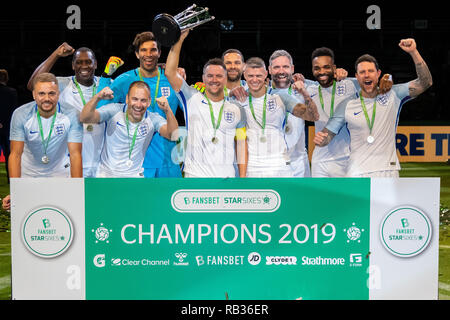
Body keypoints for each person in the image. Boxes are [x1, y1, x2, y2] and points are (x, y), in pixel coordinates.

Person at [314, 38, 432, 177]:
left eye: (370, 71)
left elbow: (425, 82)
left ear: (378, 73)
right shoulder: (346, 105)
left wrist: (413, 52)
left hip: (388, 170)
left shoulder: (394, 94)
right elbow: (328, 134)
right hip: (357, 172)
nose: (367, 75)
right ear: (357, 77)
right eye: (362, 72)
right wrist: (322, 139)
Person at [97, 31, 183, 178]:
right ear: (137, 54)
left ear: (159, 53)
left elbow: (191, 108)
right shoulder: (126, 79)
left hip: (169, 159)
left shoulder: (172, 78)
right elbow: (100, 107)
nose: (148, 54)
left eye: (153, 50)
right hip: (140, 163)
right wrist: (105, 77)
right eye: (143, 50)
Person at [164, 30, 247, 178]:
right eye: (210, 76)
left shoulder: (237, 109)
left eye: (219, 76)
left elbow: (241, 144)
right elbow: (170, 72)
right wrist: (179, 40)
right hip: (195, 177)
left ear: (225, 77)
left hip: (227, 178)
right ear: (203, 78)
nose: (214, 79)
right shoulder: (191, 98)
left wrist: (242, 179)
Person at [306, 47, 392, 177]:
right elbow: (284, 81)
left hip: (347, 159)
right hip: (320, 160)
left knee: (346, 198)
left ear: (334, 68)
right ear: (312, 70)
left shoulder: (349, 84)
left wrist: (390, 78)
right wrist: (296, 77)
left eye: (326, 67)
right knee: (320, 198)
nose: (321, 71)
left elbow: (373, 81)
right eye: (317, 68)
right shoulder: (308, 88)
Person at [2, 73, 83, 210]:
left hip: (60, 174)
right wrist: (15, 190)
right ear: (34, 95)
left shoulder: (72, 114)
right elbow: (15, 155)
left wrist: (77, 189)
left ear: (58, 94)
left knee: (63, 219)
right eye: (41, 94)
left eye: (51, 93)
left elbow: (75, 154)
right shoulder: (20, 114)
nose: (47, 98)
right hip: (29, 173)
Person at [26, 42, 107, 177]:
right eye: (79, 62)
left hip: (101, 165)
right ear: (73, 65)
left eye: (88, 62)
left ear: (96, 64)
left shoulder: (105, 84)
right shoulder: (63, 84)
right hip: (70, 163)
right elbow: (33, 84)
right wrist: (56, 54)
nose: (84, 66)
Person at [239, 56, 319, 177]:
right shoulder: (239, 98)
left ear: (266, 74)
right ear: (244, 75)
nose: (255, 80)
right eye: (251, 76)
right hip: (253, 166)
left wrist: (305, 94)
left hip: (279, 165)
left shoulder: (281, 96)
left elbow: (313, 116)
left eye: (259, 76)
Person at [80, 81, 178, 177]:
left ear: (149, 102)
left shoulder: (152, 119)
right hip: (106, 174)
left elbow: (173, 135)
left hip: (134, 176)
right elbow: (85, 118)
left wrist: (167, 110)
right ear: (127, 99)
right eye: (135, 99)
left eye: (143, 100)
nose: (138, 105)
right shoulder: (114, 110)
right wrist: (98, 97)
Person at [267, 50, 310, 177]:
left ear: (292, 69)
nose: (281, 71)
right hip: (271, 164)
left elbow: (327, 85)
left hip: (299, 164)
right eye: (276, 67)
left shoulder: (303, 89)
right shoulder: (261, 93)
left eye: (285, 67)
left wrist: (339, 74)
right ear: (269, 70)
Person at [0, 69, 18, 183]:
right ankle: (11, 180)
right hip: (7, 128)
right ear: (6, 79)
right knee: (9, 155)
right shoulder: (12, 92)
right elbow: (14, 111)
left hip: (6, 126)